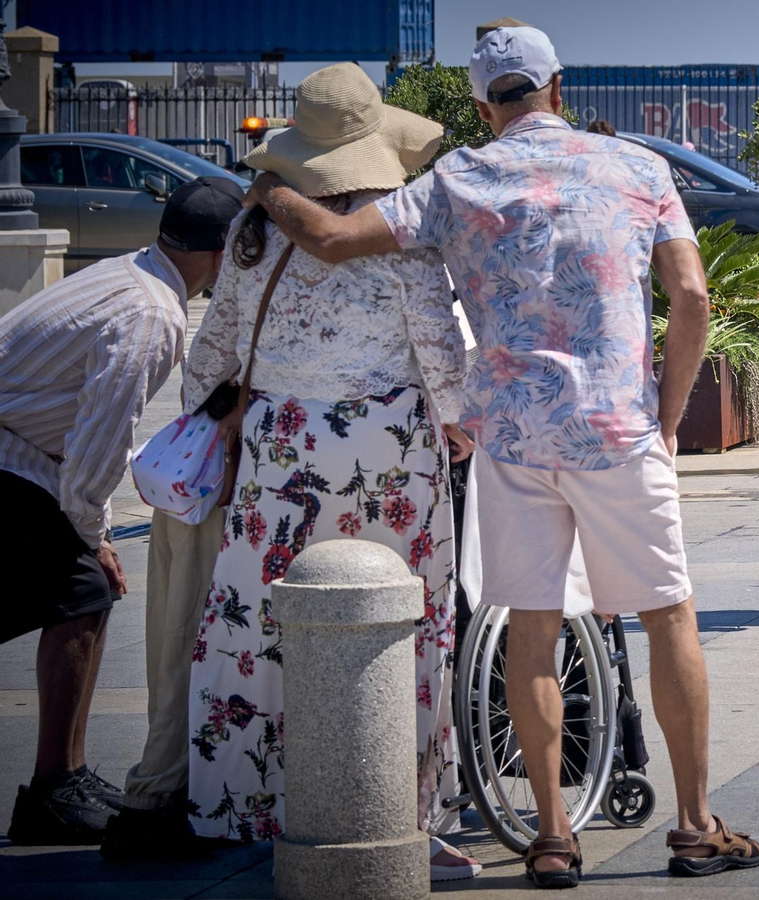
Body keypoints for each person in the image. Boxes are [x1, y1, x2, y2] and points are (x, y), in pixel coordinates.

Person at [246, 27, 759, 887]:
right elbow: (693, 295)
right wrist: (668, 416)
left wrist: (268, 186)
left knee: (531, 626)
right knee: (668, 613)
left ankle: (553, 836)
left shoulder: (458, 179)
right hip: (616, 432)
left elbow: (334, 239)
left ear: (486, 106)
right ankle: (695, 823)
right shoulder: (636, 168)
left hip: (513, 438)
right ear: (559, 89)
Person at [179, 63, 479, 881]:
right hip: (385, 445)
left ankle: (250, 799)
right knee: (396, 613)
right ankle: (398, 802)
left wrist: (230, 407)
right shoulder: (398, 228)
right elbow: (437, 340)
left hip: (281, 443)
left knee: (264, 616)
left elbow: (216, 350)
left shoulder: (252, 234)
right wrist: (456, 417)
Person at [0, 177, 242, 845]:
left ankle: (61, 780)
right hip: (11, 458)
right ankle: (55, 788)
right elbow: (97, 445)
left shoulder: (131, 271)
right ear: (221, 254)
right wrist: (97, 536)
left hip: (21, 455)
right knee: (83, 588)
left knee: (78, 592)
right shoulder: (153, 315)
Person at [101, 395, 231, 860]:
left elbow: (198, 386)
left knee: (174, 635)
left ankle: (165, 791)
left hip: (198, 477)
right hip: (224, 484)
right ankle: (155, 798)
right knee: (187, 639)